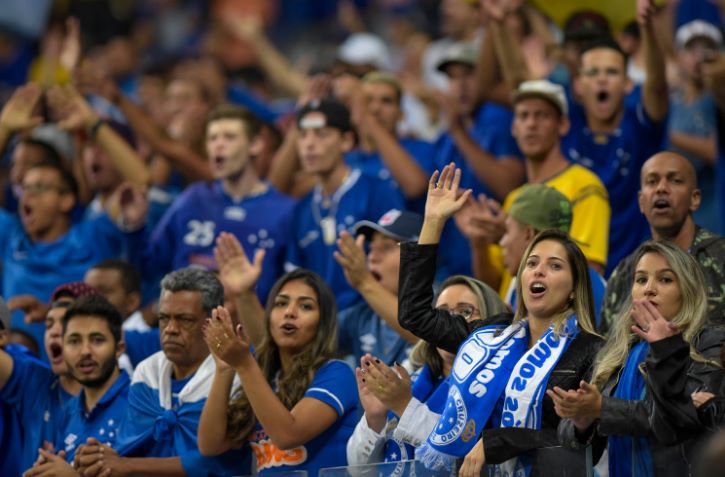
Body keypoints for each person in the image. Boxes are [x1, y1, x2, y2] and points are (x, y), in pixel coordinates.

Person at [397, 164, 603, 475]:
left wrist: (497, 442)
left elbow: (583, 439)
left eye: (554, 266)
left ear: (574, 289)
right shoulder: (489, 334)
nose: (538, 271)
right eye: (532, 263)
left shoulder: (592, 350)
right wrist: (433, 222)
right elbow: (414, 315)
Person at [553, 241, 723, 477]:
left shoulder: (710, 343)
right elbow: (569, 438)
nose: (649, 289)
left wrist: (602, 408)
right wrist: (582, 421)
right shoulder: (618, 352)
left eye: (665, 279)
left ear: (687, 290)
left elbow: (681, 418)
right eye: (641, 280)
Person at [74, 268, 250, 477]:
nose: (170, 329)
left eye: (185, 319)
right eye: (164, 318)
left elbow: (215, 463)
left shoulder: (238, 374)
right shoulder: (148, 372)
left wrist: (126, 465)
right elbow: (130, 449)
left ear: (215, 322)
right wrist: (98, 458)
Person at [197, 269, 358, 476]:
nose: (289, 312)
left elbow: (288, 435)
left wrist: (245, 364)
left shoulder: (337, 373)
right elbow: (210, 444)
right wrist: (225, 368)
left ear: (322, 323)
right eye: (280, 303)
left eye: (306, 306)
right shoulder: (265, 379)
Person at [457, 80, 609, 296]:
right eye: (523, 116)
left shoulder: (584, 185)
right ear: (514, 127)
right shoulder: (515, 197)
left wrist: (516, 239)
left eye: (542, 115)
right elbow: (492, 289)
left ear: (563, 125)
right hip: (515, 323)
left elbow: (589, 275)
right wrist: (478, 243)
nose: (531, 124)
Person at [347, 273, 510, 465]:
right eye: (441, 314)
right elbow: (357, 470)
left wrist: (404, 406)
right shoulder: (409, 381)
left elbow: (462, 451)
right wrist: (375, 418)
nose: (449, 322)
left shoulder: (501, 384)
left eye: (465, 312)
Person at [144, 104, 295, 302]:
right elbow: (149, 265)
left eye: (229, 137)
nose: (218, 145)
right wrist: (133, 228)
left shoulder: (286, 210)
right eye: (212, 138)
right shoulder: (192, 199)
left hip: (248, 326)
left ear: (256, 145)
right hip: (181, 322)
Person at [2, 158, 147, 360]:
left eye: (40, 187)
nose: (29, 194)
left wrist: (92, 125)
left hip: (78, 366)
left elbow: (140, 180)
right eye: (24, 187)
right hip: (14, 373)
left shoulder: (92, 236)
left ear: (66, 200)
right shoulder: (10, 236)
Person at [286, 98, 404, 310]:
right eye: (302, 135)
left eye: (322, 134)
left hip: (372, 316)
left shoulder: (377, 191)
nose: (309, 144)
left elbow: (401, 265)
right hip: (321, 326)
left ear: (347, 141)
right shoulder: (302, 208)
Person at [602, 151, 725, 330]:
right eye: (652, 181)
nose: (661, 188)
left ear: (695, 199)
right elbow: (606, 349)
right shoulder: (624, 274)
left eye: (675, 180)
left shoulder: (721, 256)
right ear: (641, 202)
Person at [23, 296, 131, 476]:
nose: (85, 351)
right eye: (74, 341)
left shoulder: (140, 404)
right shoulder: (69, 412)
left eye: (97, 340)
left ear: (119, 348)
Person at [0, 282, 97, 472]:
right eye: (49, 323)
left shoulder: (125, 402)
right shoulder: (36, 381)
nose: (54, 331)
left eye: (69, 322)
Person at [499, 184, 607, 326]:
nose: (502, 242)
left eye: (507, 231)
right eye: (532, 264)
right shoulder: (599, 282)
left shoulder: (589, 289)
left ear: (528, 234)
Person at [334, 209, 424, 365]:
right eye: (371, 249)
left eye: (386, 248)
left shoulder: (445, 301)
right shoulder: (361, 317)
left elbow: (427, 333)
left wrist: (364, 282)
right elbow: (308, 341)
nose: (372, 257)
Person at [669, 20, 722, 233]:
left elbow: (715, 152)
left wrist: (670, 136)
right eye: (691, 49)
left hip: (713, 208)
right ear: (678, 56)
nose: (699, 57)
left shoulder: (717, 101)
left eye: (708, 49)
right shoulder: (671, 102)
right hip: (674, 211)